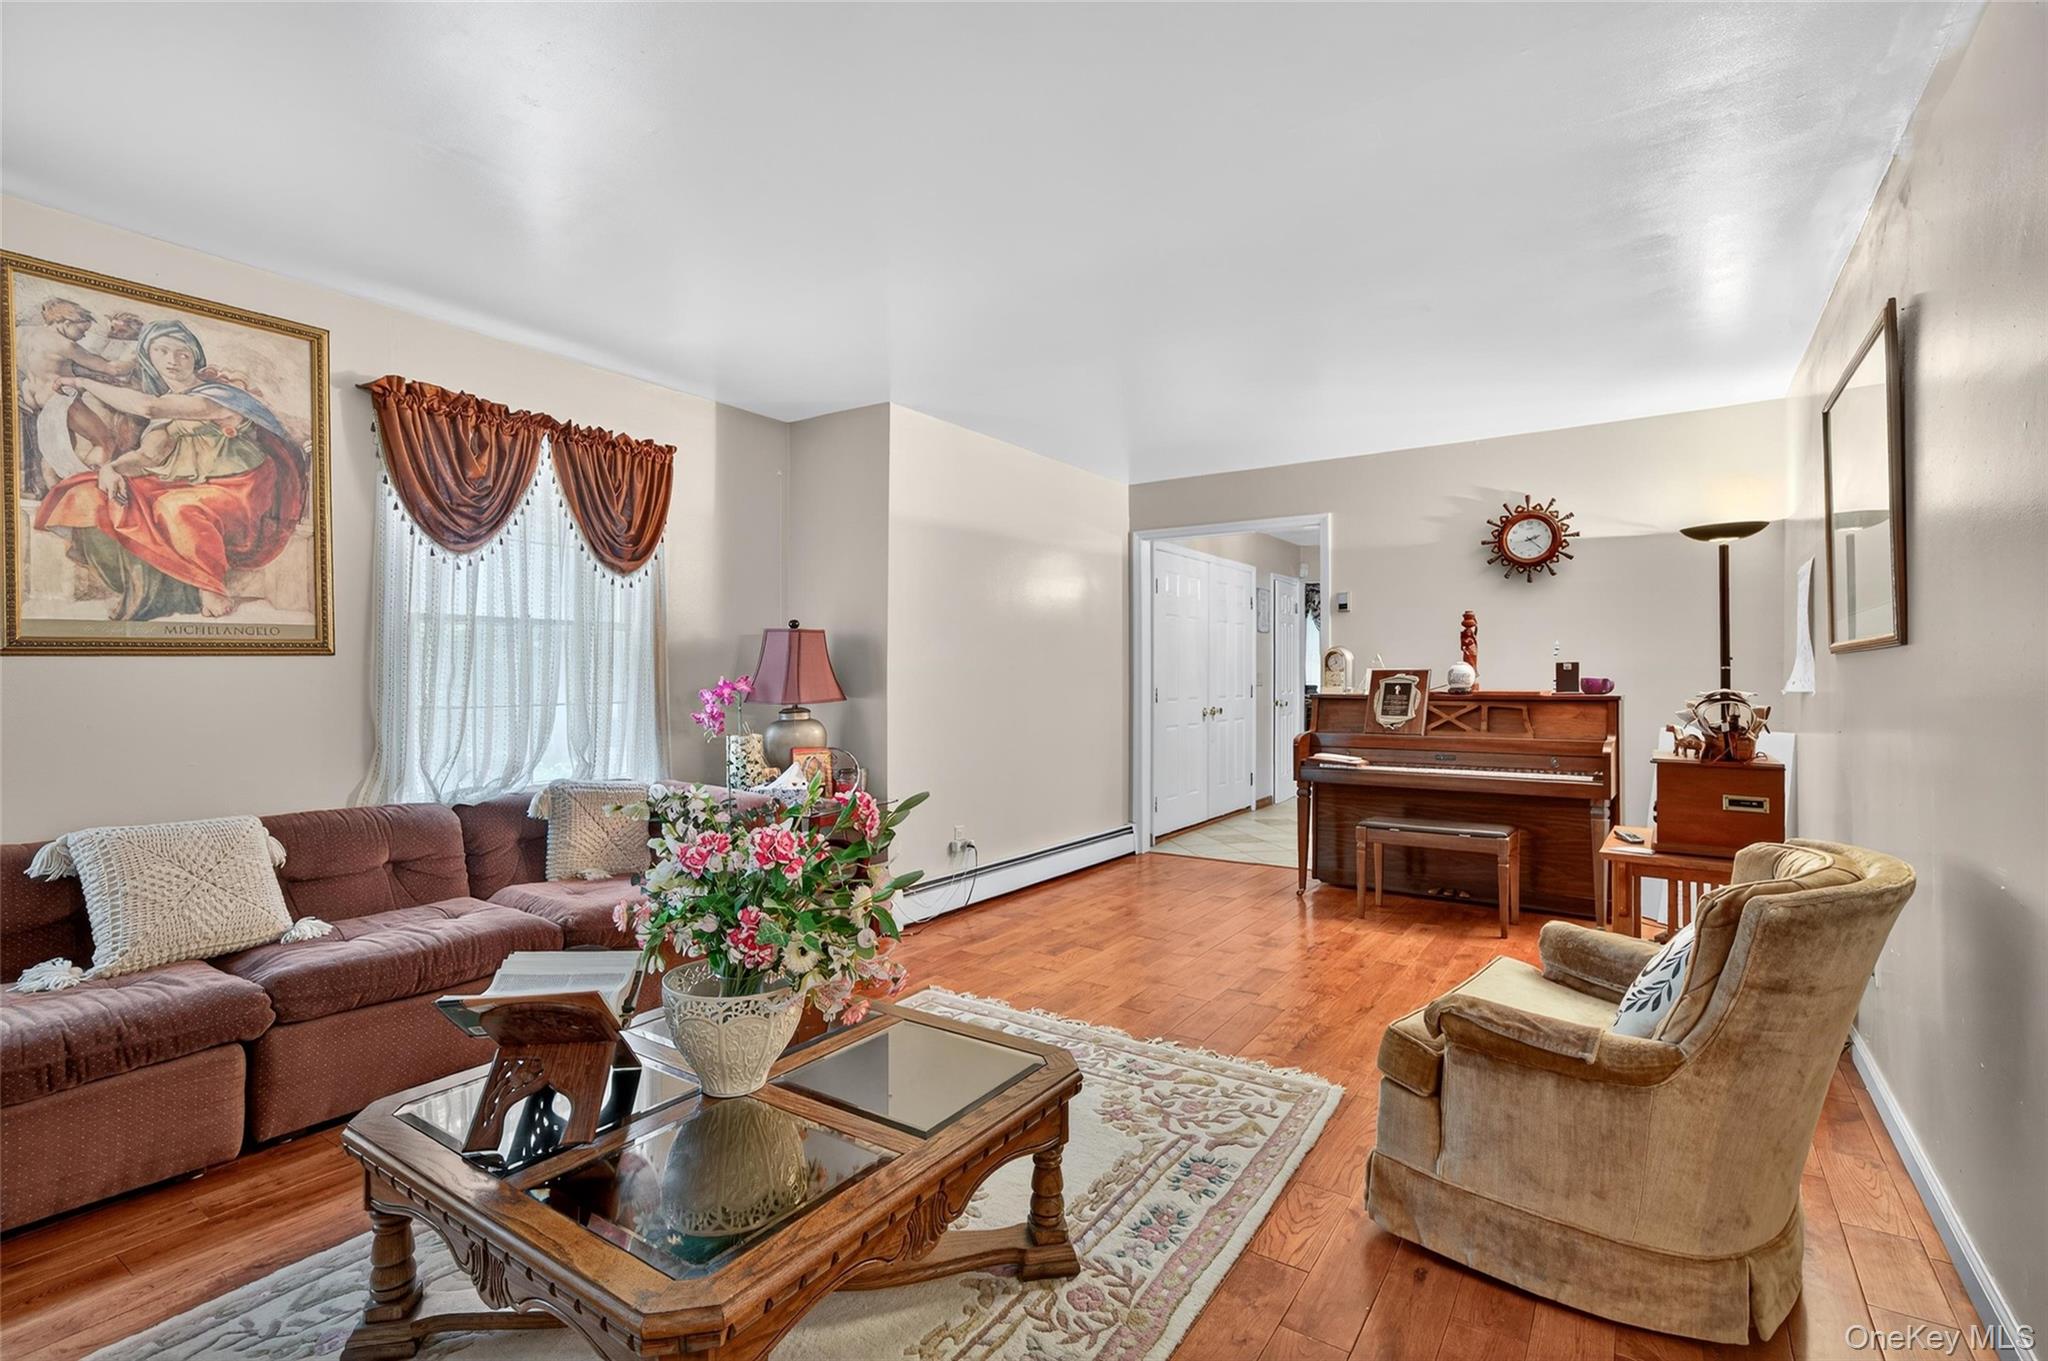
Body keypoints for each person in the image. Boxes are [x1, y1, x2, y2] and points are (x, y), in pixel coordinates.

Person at [33, 319, 307, 621]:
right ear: (149, 359)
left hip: (243, 487)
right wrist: (111, 469)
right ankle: (145, 588)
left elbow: (148, 408)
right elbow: (148, 455)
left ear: (195, 358)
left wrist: (83, 382)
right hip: (191, 484)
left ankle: (210, 586)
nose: (172, 360)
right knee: (87, 490)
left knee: (175, 507)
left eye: (182, 353)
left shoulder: (220, 396)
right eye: (161, 351)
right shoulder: (165, 405)